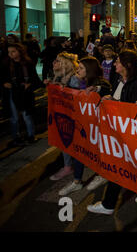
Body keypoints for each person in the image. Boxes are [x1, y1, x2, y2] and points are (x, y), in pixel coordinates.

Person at [87, 50, 137, 215]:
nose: (114, 64)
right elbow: (122, 104)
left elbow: (134, 111)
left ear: (127, 65)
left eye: (118, 62)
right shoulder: (121, 80)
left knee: (122, 167)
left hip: (133, 136)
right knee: (119, 168)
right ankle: (110, 204)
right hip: (122, 134)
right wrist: (111, 100)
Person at [58, 57, 112, 196]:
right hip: (83, 125)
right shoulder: (79, 83)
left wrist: (97, 89)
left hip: (98, 127)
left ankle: (102, 174)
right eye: (78, 67)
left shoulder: (99, 82)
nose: (78, 70)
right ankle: (77, 182)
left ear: (89, 70)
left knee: (98, 153)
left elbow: (106, 88)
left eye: (81, 68)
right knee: (79, 152)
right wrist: (64, 90)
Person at [47, 52, 82, 181]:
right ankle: (67, 165)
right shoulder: (59, 77)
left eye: (57, 61)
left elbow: (79, 97)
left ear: (65, 64)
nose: (53, 63)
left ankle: (69, 168)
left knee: (68, 141)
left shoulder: (73, 79)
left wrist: (65, 89)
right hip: (62, 116)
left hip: (72, 118)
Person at [1, 43, 42, 146]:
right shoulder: (6, 63)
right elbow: (1, 77)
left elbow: (35, 79)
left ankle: (31, 135)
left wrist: (30, 84)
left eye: (13, 51)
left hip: (24, 93)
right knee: (14, 116)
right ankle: (16, 137)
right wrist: (4, 83)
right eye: (9, 52)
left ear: (20, 51)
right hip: (12, 92)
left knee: (27, 115)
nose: (10, 54)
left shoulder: (27, 63)